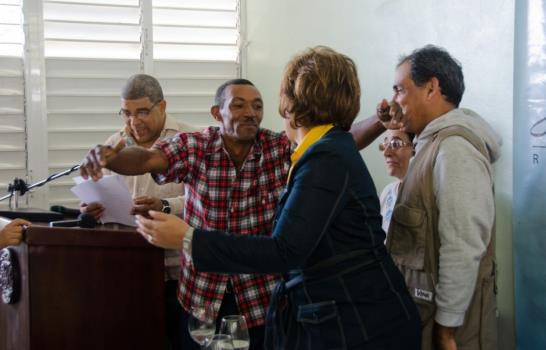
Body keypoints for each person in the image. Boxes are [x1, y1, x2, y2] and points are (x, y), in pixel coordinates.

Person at [132, 46, 422, 349]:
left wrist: (189, 238)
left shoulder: (326, 158)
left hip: (360, 327)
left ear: (292, 102)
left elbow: (285, 250)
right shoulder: (323, 150)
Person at [79, 77, 393, 349]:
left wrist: (379, 122)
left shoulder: (277, 147)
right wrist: (110, 159)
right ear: (218, 113)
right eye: (239, 106)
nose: (250, 113)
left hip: (260, 299)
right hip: (202, 298)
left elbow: (342, 141)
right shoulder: (195, 146)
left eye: (257, 106)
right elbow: (146, 159)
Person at [384, 45, 501, 350]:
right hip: (424, 314)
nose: (396, 101)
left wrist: (446, 328)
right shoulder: (430, 144)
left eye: (400, 90)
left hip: (451, 329)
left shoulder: (454, 149)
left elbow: (462, 244)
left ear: (432, 88)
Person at [80, 74, 197, 350]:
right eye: (127, 113)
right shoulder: (113, 145)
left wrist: (164, 206)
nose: (134, 122)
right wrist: (89, 210)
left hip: (179, 273)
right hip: (128, 273)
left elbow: (199, 202)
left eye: (142, 111)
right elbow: (94, 193)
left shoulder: (189, 140)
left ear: (163, 106)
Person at [378, 128, 414, 233]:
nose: (386, 152)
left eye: (396, 143)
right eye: (385, 143)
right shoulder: (387, 191)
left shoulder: (424, 193)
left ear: (415, 148)